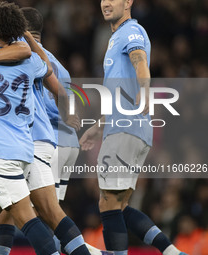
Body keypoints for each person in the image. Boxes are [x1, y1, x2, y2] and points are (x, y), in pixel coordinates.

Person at [79, 0, 187, 255]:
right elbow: (120, 94)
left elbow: (140, 62)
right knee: (120, 205)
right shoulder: (115, 37)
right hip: (130, 129)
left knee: (107, 203)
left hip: (125, 130)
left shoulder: (130, 32)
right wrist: (98, 127)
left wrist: (146, 89)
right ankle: (172, 252)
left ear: (128, 2)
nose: (105, 3)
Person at [0, 2, 59, 254]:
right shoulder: (29, 64)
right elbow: (45, 66)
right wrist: (25, 38)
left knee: (26, 219)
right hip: (23, 149)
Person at [20, 7, 80, 202]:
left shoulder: (23, 57)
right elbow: (70, 110)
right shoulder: (59, 64)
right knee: (53, 212)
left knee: (36, 211)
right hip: (69, 143)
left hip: (48, 142)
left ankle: (73, 235)